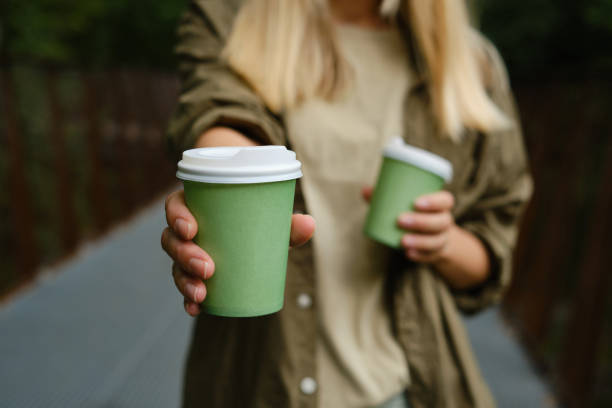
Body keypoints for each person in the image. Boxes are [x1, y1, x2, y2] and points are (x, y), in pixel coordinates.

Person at [161, 0, 533, 407]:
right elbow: (218, 109)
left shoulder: (471, 65)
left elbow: (492, 252)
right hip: (257, 384)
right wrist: (226, 178)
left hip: (403, 388)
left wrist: (442, 242)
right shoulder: (232, 17)